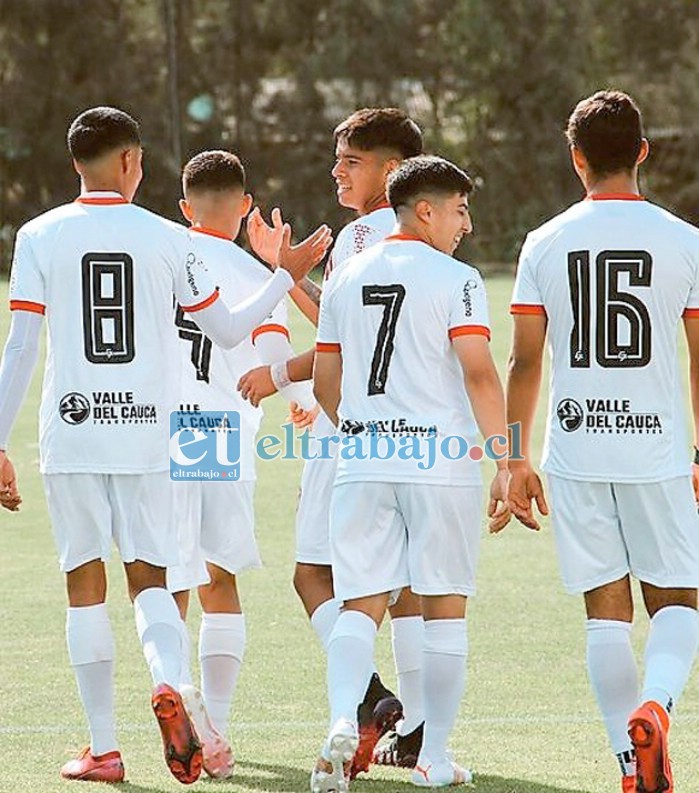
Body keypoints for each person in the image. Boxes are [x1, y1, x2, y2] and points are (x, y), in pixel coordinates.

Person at [0, 106, 329, 784]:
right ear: (131, 163)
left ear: (76, 164)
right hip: (176, 432)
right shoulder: (168, 241)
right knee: (176, 578)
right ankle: (192, 703)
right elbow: (240, 332)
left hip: (76, 428)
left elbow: (22, 345)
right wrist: (282, 275)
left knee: (85, 584)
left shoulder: (37, 234)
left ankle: (104, 747)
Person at [507, 90, 699, 793]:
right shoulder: (684, 240)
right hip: (656, 452)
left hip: (576, 450)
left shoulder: (543, 241)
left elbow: (524, 360)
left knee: (604, 612)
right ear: (642, 152)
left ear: (575, 157)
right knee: (678, 599)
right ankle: (657, 707)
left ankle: (628, 759)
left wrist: (510, 456)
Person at [312, 155, 510, 791]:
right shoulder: (457, 278)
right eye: (459, 210)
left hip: (362, 461)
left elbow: (324, 383)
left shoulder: (344, 276)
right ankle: (435, 757)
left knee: (360, 604)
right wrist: (508, 458)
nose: (467, 224)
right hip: (440, 465)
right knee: (445, 606)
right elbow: (479, 373)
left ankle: (344, 718)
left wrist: (366, 433)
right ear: (425, 210)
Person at [241, 108, 428, 776]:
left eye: (350, 160)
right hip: (413, 424)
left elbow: (336, 334)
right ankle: (418, 733)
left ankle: (371, 699)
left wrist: (277, 369)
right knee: (403, 582)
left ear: (390, 170)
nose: (336, 171)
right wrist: (286, 272)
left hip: (348, 425)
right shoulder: (421, 230)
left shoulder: (362, 234)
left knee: (313, 572)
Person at [166, 149, 315, 779]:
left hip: (156, 428)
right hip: (216, 428)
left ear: (183, 208)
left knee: (167, 580)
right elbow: (271, 343)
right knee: (218, 580)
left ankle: (173, 694)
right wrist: (302, 399)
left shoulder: (162, 250)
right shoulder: (255, 271)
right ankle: (216, 726)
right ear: (247, 206)